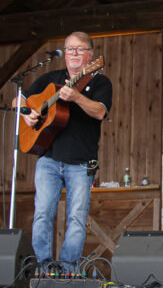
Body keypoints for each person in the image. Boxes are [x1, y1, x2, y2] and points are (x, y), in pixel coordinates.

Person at [21, 31, 112, 271]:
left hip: (82, 161)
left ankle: (68, 270)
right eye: (70, 48)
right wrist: (28, 114)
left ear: (90, 55)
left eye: (80, 49)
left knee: (76, 219)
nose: (74, 53)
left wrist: (77, 97)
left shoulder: (100, 82)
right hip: (48, 159)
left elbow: (100, 112)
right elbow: (20, 100)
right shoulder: (51, 79)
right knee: (42, 214)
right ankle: (43, 267)